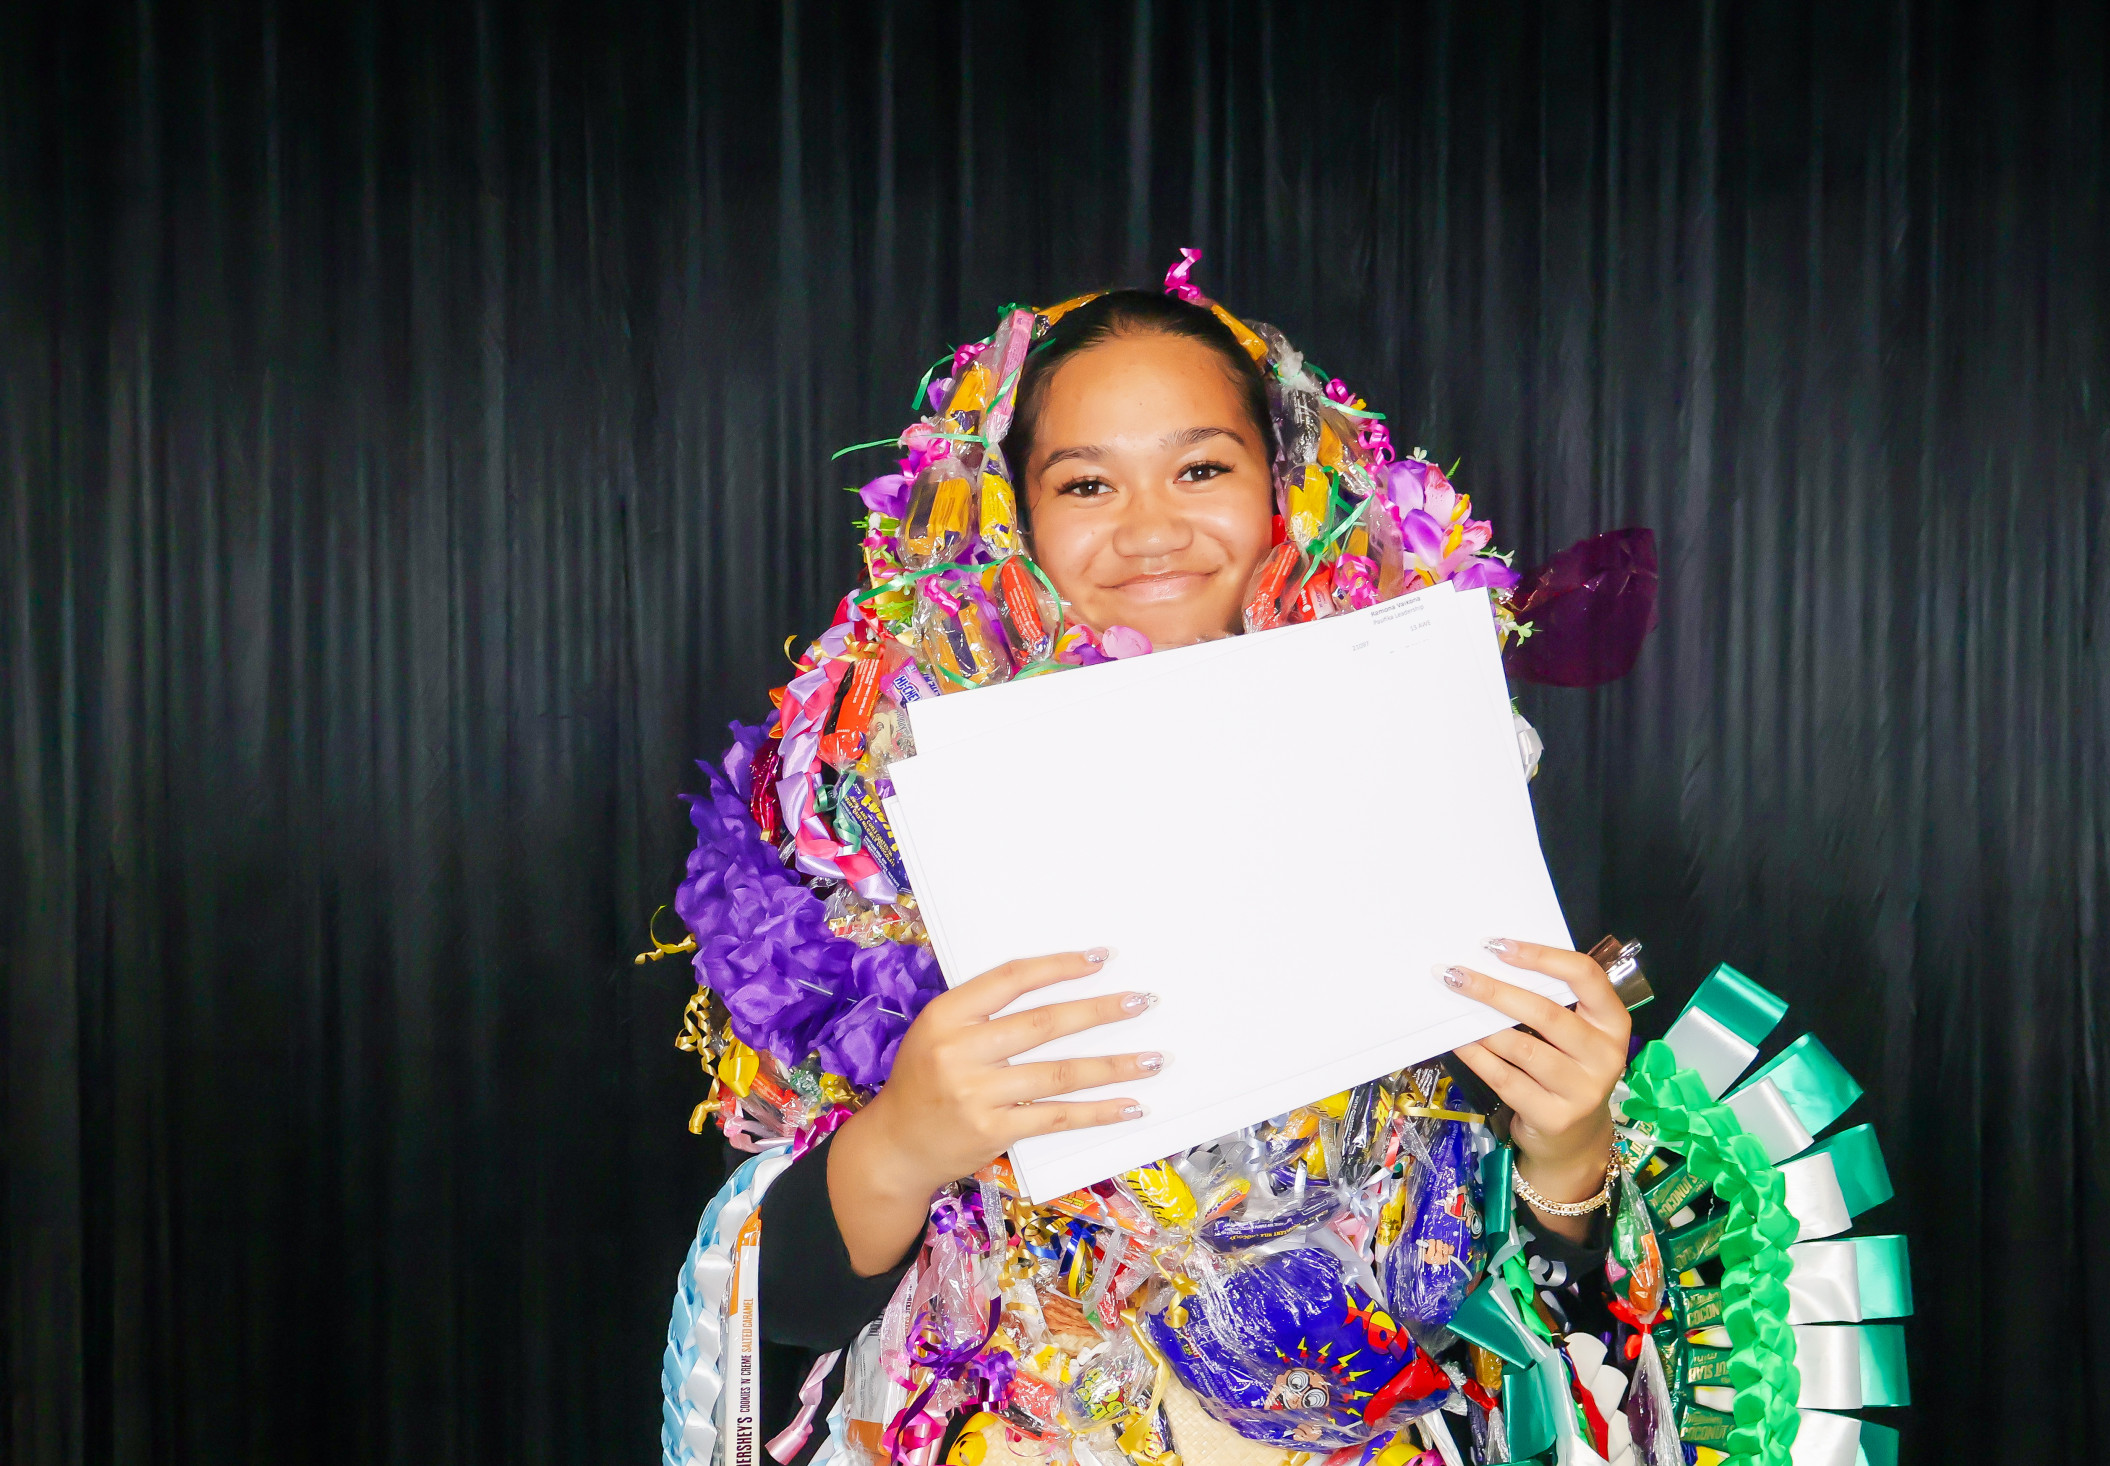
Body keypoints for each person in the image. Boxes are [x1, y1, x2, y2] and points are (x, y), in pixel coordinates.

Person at [658, 266, 1903, 1466]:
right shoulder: (866, 820)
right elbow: (787, 1323)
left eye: (1201, 467)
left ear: (1290, 487)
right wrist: (904, 1138)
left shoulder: (1435, 776)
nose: (1153, 529)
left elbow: (1533, 1315)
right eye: (1086, 482)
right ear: (1009, 515)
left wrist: (1568, 1152)